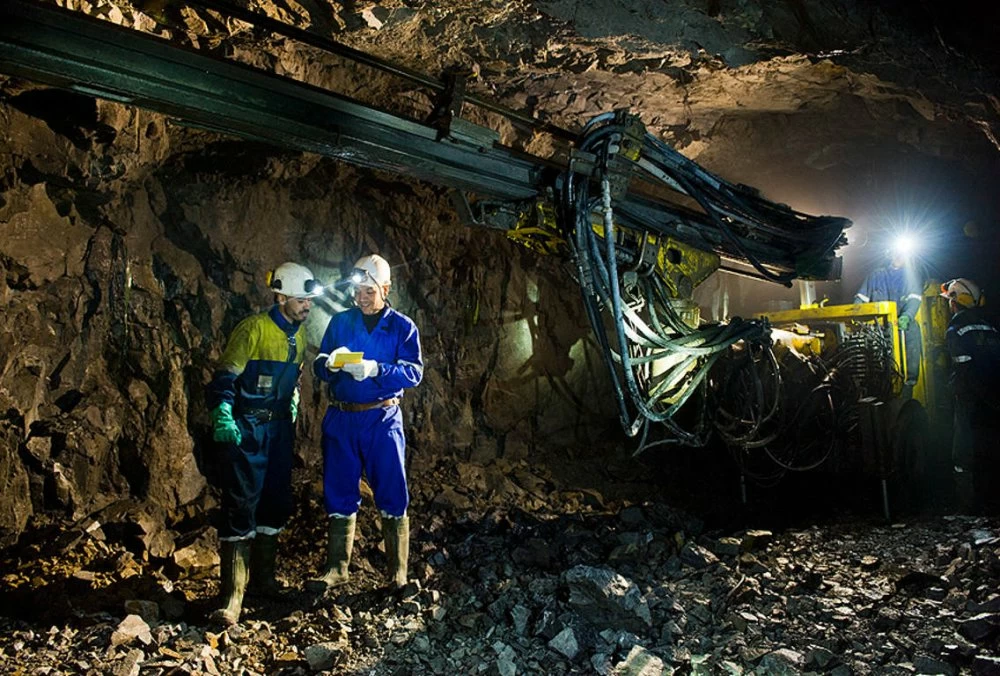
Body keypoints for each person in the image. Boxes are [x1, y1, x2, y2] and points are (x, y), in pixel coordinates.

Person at [204, 261, 322, 625]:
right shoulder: (253, 330)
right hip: (249, 429)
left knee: (276, 501)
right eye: (302, 300)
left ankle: (263, 580)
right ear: (281, 296)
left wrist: (292, 400)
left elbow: (296, 374)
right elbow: (226, 375)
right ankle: (232, 597)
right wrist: (223, 413)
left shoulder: (298, 335)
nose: (307, 306)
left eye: (309, 301)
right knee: (241, 503)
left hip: (279, 431)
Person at [309, 254, 422, 592]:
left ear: (385, 288)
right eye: (357, 292)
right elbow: (317, 362)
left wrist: (376, 370)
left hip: (382, 418)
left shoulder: (403, 327)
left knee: (391, 488)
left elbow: (413, 373)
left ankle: (397, 573)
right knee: (339, 488)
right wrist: (327, 365)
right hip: (342, 417)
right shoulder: (341, 322)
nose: (361, 298)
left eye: (368, 292)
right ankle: (337, 568)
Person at [941, 278, 1000, 513]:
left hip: (970, 401)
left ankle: (967, 507)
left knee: (963, 455)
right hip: (994, 400)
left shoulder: (956, 330)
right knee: (991, 450)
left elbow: (964, 372)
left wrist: (951, 388)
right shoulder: (991, 328)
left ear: (955, 303)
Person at [854, 250, 924, 393]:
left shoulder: (910, 277)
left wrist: (907, 316)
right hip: (879, 329)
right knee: (873, 361)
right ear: (889, 255)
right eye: (896, 254)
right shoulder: (876, 275)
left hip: (901, 327)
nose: (898, 257)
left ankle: (907, 386)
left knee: (911, 334)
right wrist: (856, 314)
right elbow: (860, 299)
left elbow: (914, 299)